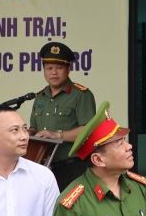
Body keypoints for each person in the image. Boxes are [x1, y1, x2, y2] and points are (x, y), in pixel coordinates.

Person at [28, 40, 96, 190]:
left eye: (59, 67)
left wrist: (58, 135)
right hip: (43, 167)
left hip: (71, 167)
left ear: (68, 69)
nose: (53, 72)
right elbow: (34, 127)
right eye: (49, 68)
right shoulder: (40, 96)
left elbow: (89, 131)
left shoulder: (80, 95)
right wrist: (27, 132)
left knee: (71, 211)